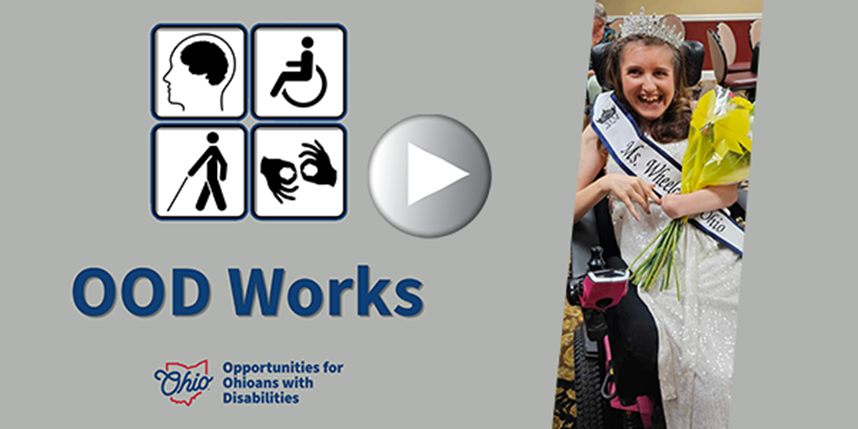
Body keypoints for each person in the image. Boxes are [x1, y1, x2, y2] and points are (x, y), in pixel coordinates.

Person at [575, 16, 742, 429]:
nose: (648, 85)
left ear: (678, 77)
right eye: (635, 72)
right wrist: (605, 184)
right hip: (650, 259)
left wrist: (680, 205)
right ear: (616, 76)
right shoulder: (601, 135)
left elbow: (728, 193)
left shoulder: (704, 121)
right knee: (710, 366)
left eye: (659, 73)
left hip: (714, 245)